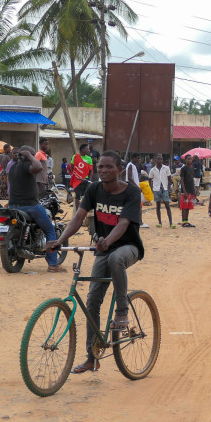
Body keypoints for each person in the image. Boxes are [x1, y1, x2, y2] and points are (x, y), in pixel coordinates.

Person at [47, 151, 144, 374]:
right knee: (92, 302)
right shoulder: (93, 189)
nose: (103, 170)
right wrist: (60, 241)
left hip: (128, 246)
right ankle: (92, 356)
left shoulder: (132, 192)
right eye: (100, 166)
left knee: (116, 258)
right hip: (102, 248)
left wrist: (107, 241)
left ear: (120, 170)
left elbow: (123, 223)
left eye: (109, 167)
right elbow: (79, 217)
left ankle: (122, 310)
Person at [8, 145, 65, 273]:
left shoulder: (13, 166)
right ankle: (52, 265)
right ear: (26, 155)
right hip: (30, 206)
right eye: (32, 155)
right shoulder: (26, 166)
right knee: (50, 229)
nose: (34, 157)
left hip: (13, 206)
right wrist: (29, 155)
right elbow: (38, 167)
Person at [148, 154, 174, 228]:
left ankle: (171, 223)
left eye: (161, 159)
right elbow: (149, 179)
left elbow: (169, 179)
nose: (159, 161)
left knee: (167, 206)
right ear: (156, 160)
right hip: (156, 190)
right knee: (158, 206)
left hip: (164, 189)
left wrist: (169, 188)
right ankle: (159, 222)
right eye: (158, 159)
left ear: (162, 160)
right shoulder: (152, 170)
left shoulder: (166, 168)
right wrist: (151, 188)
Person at [125, 153, 149, 228]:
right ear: (133, 158)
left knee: (135, 206)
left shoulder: (133, 166)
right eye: (138, 158)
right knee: (139, 206)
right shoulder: (130, 165)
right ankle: (140, 222)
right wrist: (136, 187)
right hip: (133, 189)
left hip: (132, 188)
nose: (139, 160)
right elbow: (129, 178)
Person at [70, 144, 94, 211]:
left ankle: (85, 209)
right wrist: (76, 174)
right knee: (77, 196)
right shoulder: (75, 156)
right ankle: (77, 211)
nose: (88, 151)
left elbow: (91, 171)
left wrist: (89, 180)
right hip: (77, 179)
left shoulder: (89, 158)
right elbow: (72, 166)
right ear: (82, 150)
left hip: (85, 179)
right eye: (87, 149)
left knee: (86, 195)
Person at [179, 154, 197, 228]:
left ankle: (186, 221)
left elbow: (192, 180)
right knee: (184, 207)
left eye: (191, 159)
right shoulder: (183, 168)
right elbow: (182, 180)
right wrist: (184, 191)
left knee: (188, 206)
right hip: (185, 191)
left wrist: (194, 190)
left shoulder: (192, 168)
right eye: (188, 159)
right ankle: (183, 222)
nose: (190, 160)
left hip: (190, 190)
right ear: (185, 160)